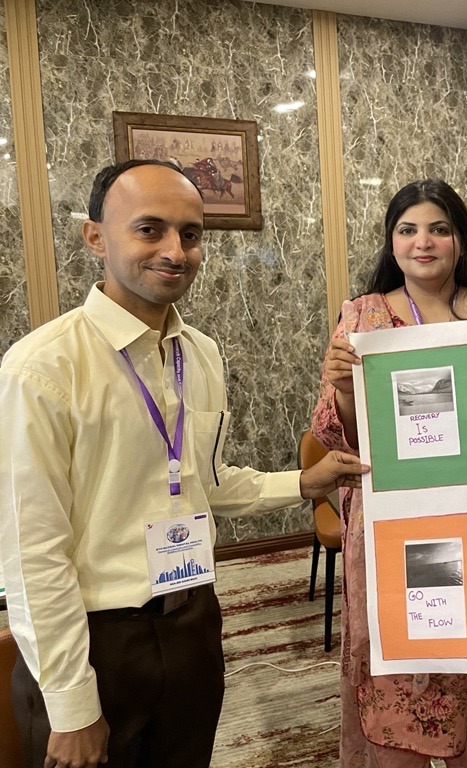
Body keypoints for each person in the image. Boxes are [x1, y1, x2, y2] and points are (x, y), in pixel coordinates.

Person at [0, 159, 369, 768]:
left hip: (192, 618)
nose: (175, 250)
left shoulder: (199, 354)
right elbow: (32, 552)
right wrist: (70, 704)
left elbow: (204, 480)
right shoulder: (42, 369)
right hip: (95, 637)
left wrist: (306, 481)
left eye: (191, 234)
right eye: (150, 229)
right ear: (95, 237)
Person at [311, 179, 467, 768]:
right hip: (390, 524)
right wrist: (345, 389)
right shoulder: (364, 317)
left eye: (439, 229)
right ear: (391, 241)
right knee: (398, 670)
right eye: (408, 229)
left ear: (460, 240)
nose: (422, 242)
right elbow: (339, 439)